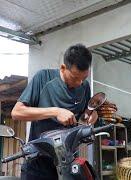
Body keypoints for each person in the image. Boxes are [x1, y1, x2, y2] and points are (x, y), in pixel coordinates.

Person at [11, 44, 98, 180]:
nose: (80, 83)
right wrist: (55, 111)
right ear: (63, 68)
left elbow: (84, 115)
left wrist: (92, 115)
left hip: (68, 163)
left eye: (84, 78)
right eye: (75, 78)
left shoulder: (84, 86)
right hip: (39, 162)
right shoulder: (43, 78)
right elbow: (16, 112)